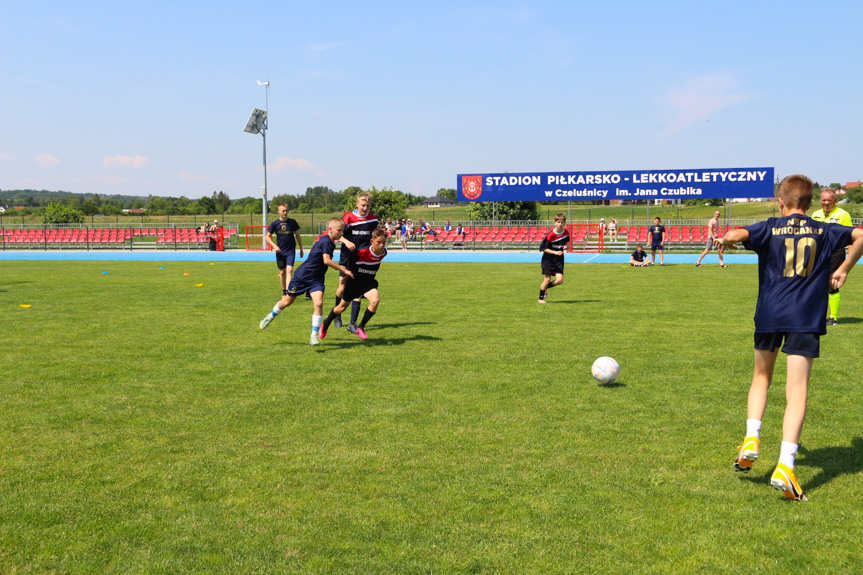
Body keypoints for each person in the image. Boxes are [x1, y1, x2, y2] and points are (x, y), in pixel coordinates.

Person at [725, 174, 863, 501]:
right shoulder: (825, 229)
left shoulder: (770, 226)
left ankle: (751, 437)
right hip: (805, 316)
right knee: (797, 390)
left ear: (781, 201)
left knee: (761, 377)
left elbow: (733, 234)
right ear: (811, 203)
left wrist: (728, 240)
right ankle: (785, 465)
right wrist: (844, 268)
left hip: (770, 314)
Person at [259, 218, 353, 346]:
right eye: (339, 230)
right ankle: (270, 316)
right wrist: (343, 269)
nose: (341, 233)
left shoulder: (330, 241)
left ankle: (314, 336)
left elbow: (333, 245)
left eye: (343, 230)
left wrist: (344, 240)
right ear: (330, 229)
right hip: (302, 277)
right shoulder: (326, 242)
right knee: (287, 301)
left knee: (319, 303)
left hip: (317, 279)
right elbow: (326, 260)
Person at [320, 228, 388, 341]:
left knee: (375, 300)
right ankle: (326, 323)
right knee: (341, 308)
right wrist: (346, 277)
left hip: (368, 283)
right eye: (379, 242)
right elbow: (348, 265)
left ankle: (361, 327)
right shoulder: (361, 252)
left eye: (384, 242)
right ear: (372, 241)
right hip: (354, 283)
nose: (381, 245)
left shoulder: (384, 253)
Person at [334, 192, 380, 333]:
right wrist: (346, 241)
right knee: (342, 286)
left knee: (357, 291)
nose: (365, 208)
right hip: (347, 258)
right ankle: (337, 315)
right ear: (357, 204)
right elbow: (336, 235)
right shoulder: (348, 218)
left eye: (368, 205)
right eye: (363, 205)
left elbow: (375, 238)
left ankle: (352, 323)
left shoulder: (373, 220)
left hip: (362, 261)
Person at [811, 188, 853, 325]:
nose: (826, 202)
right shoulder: (815, 215)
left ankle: (833, 317)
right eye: (824, 200)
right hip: (819, 252)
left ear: (835, 200)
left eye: (829, 200)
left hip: (836, 252)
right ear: (820, 201)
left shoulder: (844, 215)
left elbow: (852, 237)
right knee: (816, 282)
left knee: (831, 282)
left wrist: (851, 259)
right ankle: (817, 316)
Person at [265, 203, 304, 294]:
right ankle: (284, 291)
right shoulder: (275, 223)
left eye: (286, 210)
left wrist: (301, 248)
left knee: (290, 270)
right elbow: (267, 237)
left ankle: (288, 292)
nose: (285, 212)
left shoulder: (292, 222)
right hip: (280, 252)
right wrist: (274, 246)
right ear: (279, 211)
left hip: (290, 251)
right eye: (283, 211)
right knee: (282, 272)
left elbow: (297, 235)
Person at [538, 213, 569, 303]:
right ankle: (540, 299)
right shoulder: (551, 234)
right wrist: (555, 252)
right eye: (558, 222)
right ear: (555, 223)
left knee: (559, 280)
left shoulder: (566, 233)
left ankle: (545, 288)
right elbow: (543, 248)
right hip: (548, 260)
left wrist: (565, 246)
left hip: (559, 260)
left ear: (564, 223)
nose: (560, 224)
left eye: (562, 222)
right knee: (547, 279)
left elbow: (566, 243)